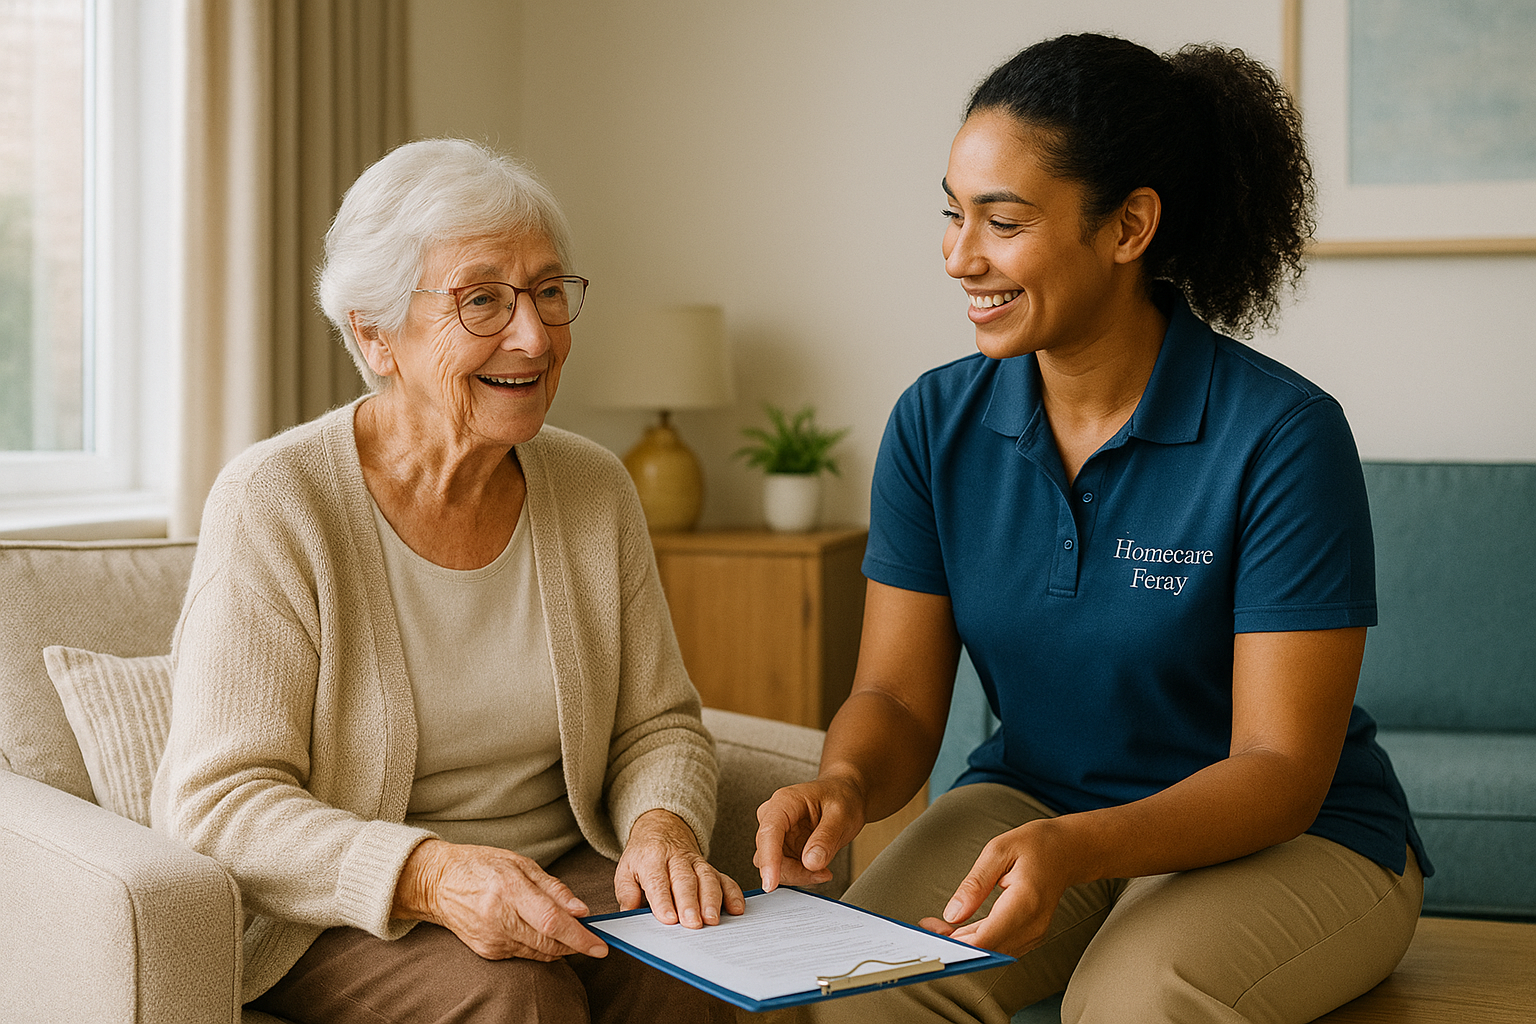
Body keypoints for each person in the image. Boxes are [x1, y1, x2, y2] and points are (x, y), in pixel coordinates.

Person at [754, 33, 1431, 1024]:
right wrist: (846, 783)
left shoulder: (1282, 435)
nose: (959, 256)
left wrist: (1084, 849)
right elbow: (895, 698)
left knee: (1131, 1003)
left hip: (1296, 837)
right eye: (952, 212)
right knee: (862, 993)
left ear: (1129, 228)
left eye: (1004, 221)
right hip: (1033, 806)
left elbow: (1280, 772)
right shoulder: (933, 426)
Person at [152, 138, 740, 1024]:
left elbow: (656, 724)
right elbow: (218, 803)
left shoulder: (592, 489)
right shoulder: (278, 500)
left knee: (706, 970)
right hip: (346, 916)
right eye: (482, 301)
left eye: (548, 292)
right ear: (374, 332)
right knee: (517, 999)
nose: (535, 336)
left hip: (559, 871)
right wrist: (428, 872)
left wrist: (664, 824)